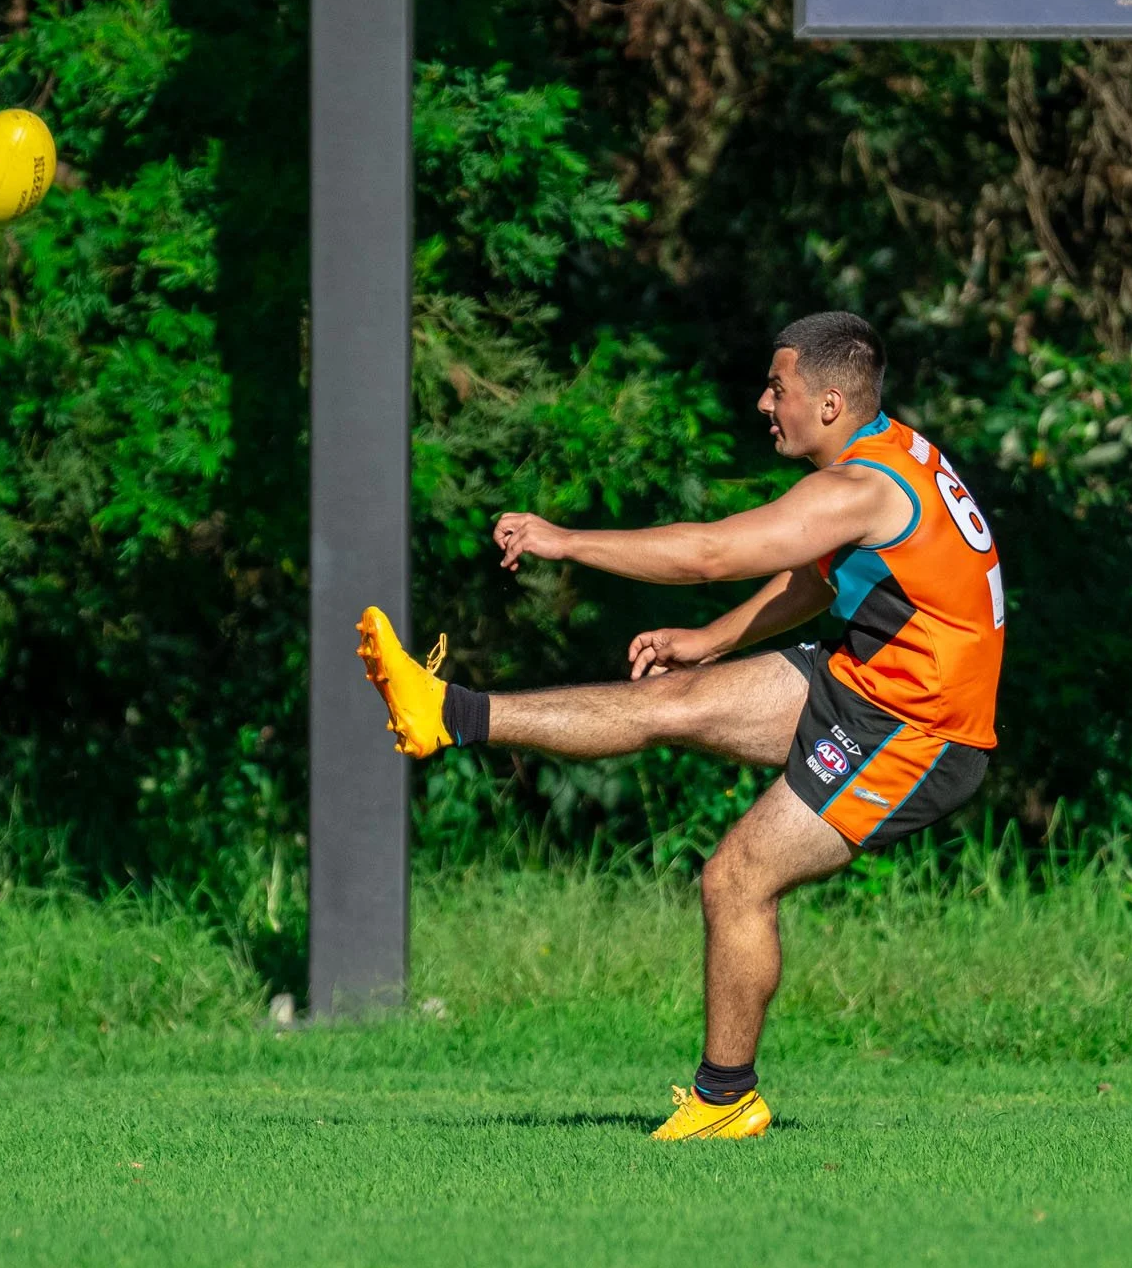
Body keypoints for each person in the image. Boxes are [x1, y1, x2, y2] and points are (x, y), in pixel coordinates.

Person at [356, 311, 1006, 1141]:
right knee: (676, 701)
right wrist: (709, 641)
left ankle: (725, 1100)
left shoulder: (858, 489)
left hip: (918, 732)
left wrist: (565, 541)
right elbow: (816, 580)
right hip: (871, 682)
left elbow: (708, 554)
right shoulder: (889, 456)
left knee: (736, 878)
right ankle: (445, 711)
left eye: (777, 388)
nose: (764, 403)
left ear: (831, 403)